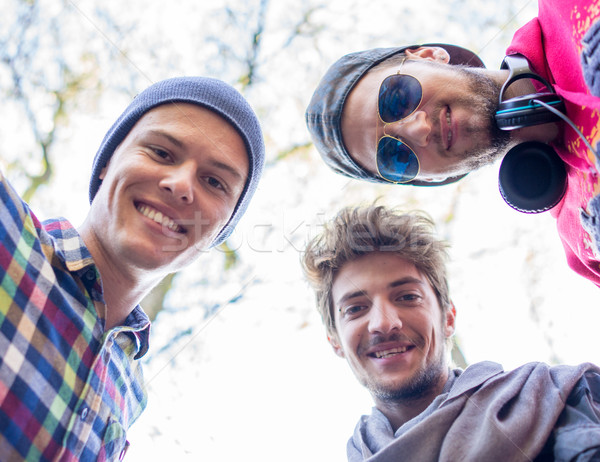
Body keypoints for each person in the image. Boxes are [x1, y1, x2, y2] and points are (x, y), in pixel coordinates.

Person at [0, 76, 265, 461]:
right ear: (107, 161)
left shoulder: (130, 390)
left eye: (214, 181)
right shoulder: (8, 233)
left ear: (220, 232)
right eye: (161, 152)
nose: (180, 185)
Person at [305, 0, 600, 288]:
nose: (419, 129)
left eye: (397, 98)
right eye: (394, 156)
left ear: (428, 55)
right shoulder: (586, 244)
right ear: (434, 178)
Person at [301, 204, 600, 461]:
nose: (383, 322)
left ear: (448, 318)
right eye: (355, 308)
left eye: (407, 297)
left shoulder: (562, 397)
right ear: (335, 341)